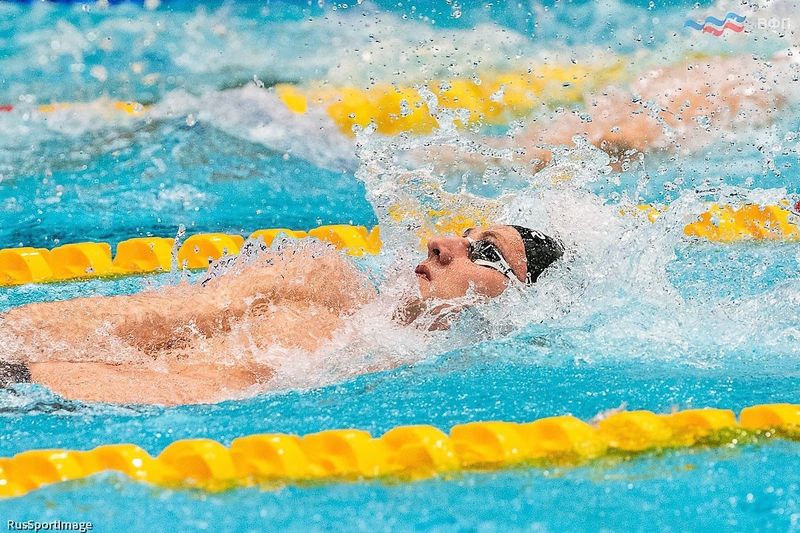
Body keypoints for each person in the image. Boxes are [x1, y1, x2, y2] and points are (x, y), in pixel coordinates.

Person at [0, 225, 563, 405]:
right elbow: (137, 318)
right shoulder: (316, 277)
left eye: (484, 252)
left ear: (519, 303)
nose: (443, 244)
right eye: (464, 233)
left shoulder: (409, 376)